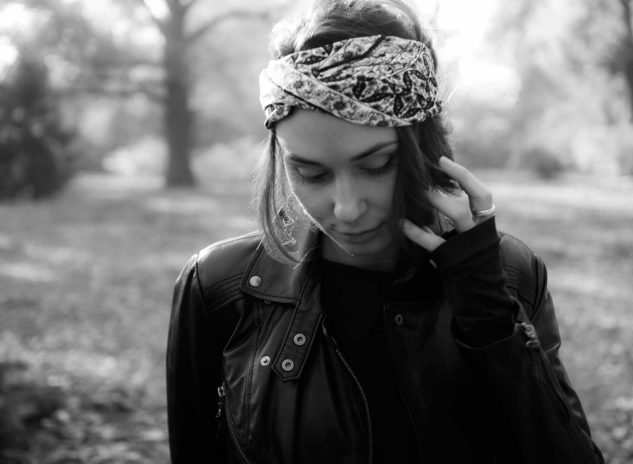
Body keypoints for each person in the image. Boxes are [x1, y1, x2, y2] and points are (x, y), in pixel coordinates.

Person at [166, 0, 605, 462]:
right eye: (311, 173)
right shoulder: (219, 289)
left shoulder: (511, 274)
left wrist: (489, 314)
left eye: (377, 165)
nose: (347, 208)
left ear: (426, 148)